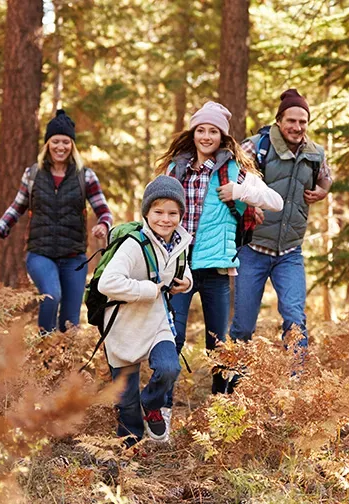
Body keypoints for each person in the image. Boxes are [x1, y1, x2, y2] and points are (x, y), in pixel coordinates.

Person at [158, 101, 283, 397]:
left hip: (215, 268)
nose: (206, 136)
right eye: (201, 130)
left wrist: (240, 192)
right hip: (178, 268)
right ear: (193, 133)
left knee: (217, 346)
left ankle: (219, 408)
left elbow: (276, 201)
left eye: (213, 131)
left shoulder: (234, 172)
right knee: (172, 339)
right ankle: (162, 406)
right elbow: (155, 209)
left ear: (222, 137)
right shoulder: (175, 169)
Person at [0, 110, 113, 333]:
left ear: (72, 145)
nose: (60, 147)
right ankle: (45, 349)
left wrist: (103, 225)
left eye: (66, 142)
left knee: (70, 321)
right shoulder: (33, 174)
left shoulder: (86, 176)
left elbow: (103, 210)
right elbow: (17, 206)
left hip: (74, 257)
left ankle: (63, 365)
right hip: (40, 253)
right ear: (48, 144)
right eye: (55, 141)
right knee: (51, 295)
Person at [230, 89, 332, 348]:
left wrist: (322, 191)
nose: (297, 127)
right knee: (243, 325)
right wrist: (250, 204)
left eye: (302, 122)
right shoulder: (256, 146)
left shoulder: (315, 153)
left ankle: (293, 384)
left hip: (290, 252)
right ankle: (232, 384)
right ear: (279, 120)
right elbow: (229, 180)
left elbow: (327, 177)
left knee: (296, 321)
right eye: (291, 121)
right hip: (252, 249)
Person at [98, 176, 192, 446]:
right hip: (123, 326)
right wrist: (148, 289)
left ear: (180, 215)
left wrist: (187, 282)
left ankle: (150, 403)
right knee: (126, 403)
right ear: (147, 213)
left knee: (168, 368)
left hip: (156, 323)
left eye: (173, 213)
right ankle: (130, 450)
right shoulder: (132, 244)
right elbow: (108, 283)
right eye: (158, 212)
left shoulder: (180, 242)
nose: (166, 219)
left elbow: (180, 269)